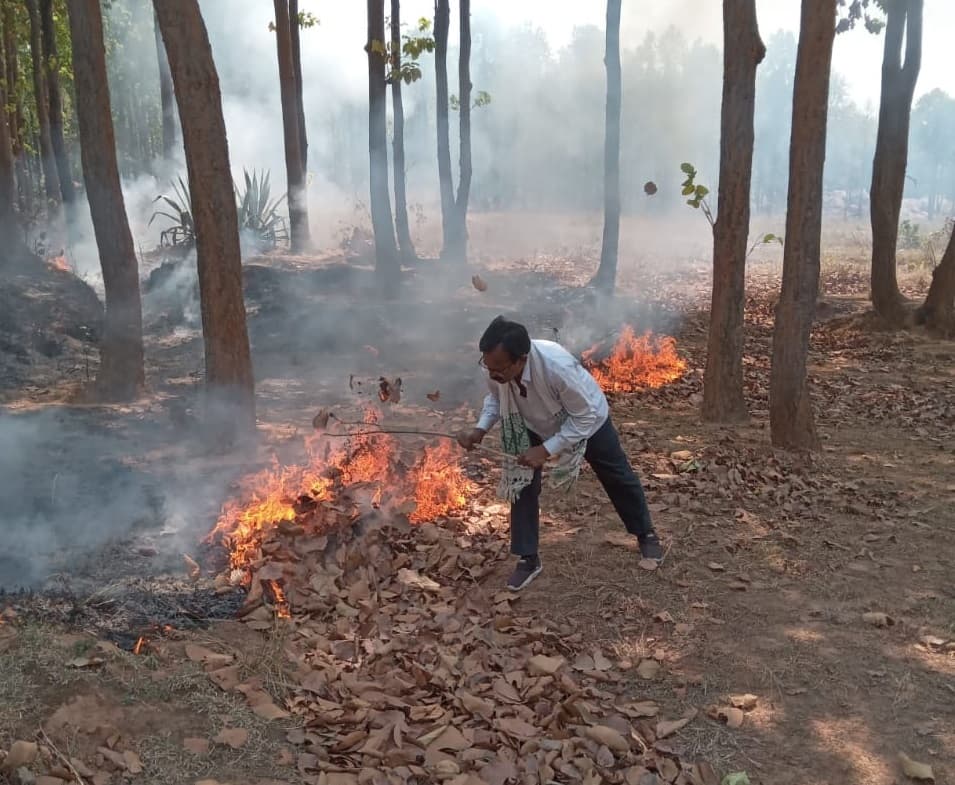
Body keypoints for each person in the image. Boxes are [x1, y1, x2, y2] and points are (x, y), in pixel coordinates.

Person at [458, 316, 664, 591]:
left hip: (587, 419)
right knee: (523, 483)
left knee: (615, 474)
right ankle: (527, 558)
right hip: (530, 420)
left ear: (521, 359)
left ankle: (645, 534)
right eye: (487, 365)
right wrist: (480, 429)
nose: (492, 373)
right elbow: (496, 399)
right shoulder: (499, 370)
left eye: (498, 368)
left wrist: (545, 449)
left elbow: (584, 416)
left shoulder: (557, 367)